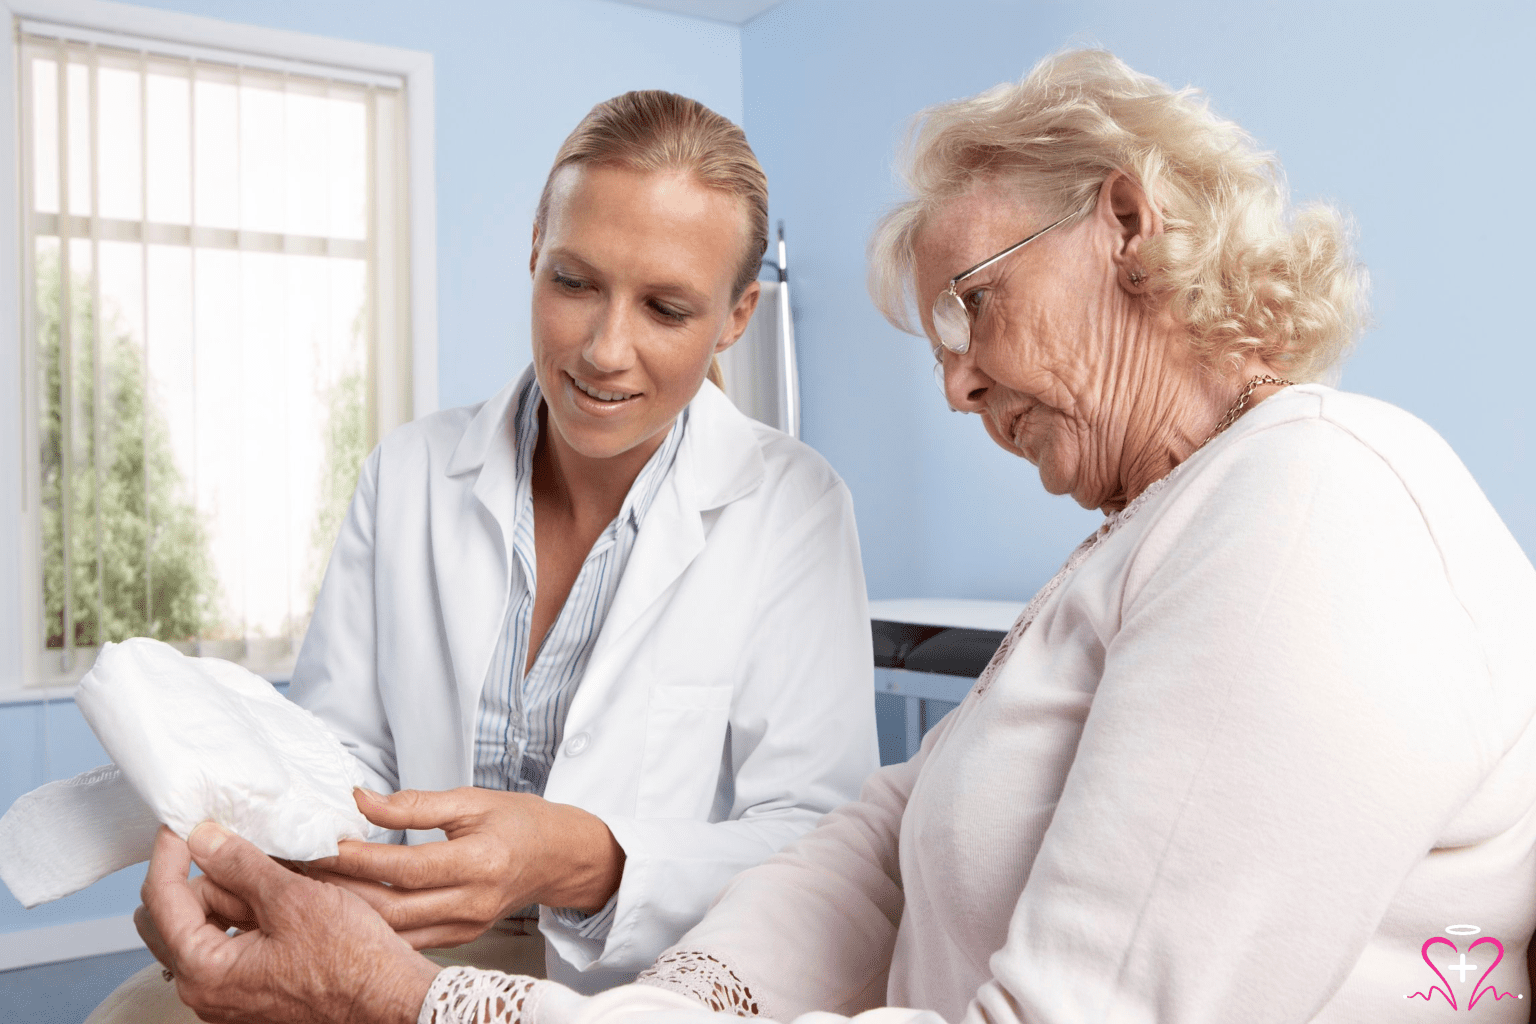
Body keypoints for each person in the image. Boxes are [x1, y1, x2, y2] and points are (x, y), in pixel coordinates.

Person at [139, 49, 1536, 1023]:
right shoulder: (1152, 533)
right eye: (574, 283)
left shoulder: (1310, 512)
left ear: (1125, 222)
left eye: (973, 304)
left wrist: (442, 995)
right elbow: (875, 838)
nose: (954, 379)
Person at [106, 89, 877, 1021]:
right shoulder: (413, 470)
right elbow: (340, 749)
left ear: (737, 316)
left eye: (667, 308)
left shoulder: (793, 507)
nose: (604, 349)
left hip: (643, 975)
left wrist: (587, 857)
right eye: (574, 282)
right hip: (396, 930)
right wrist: (273, 864)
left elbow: (820, 846)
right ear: (534, 256)